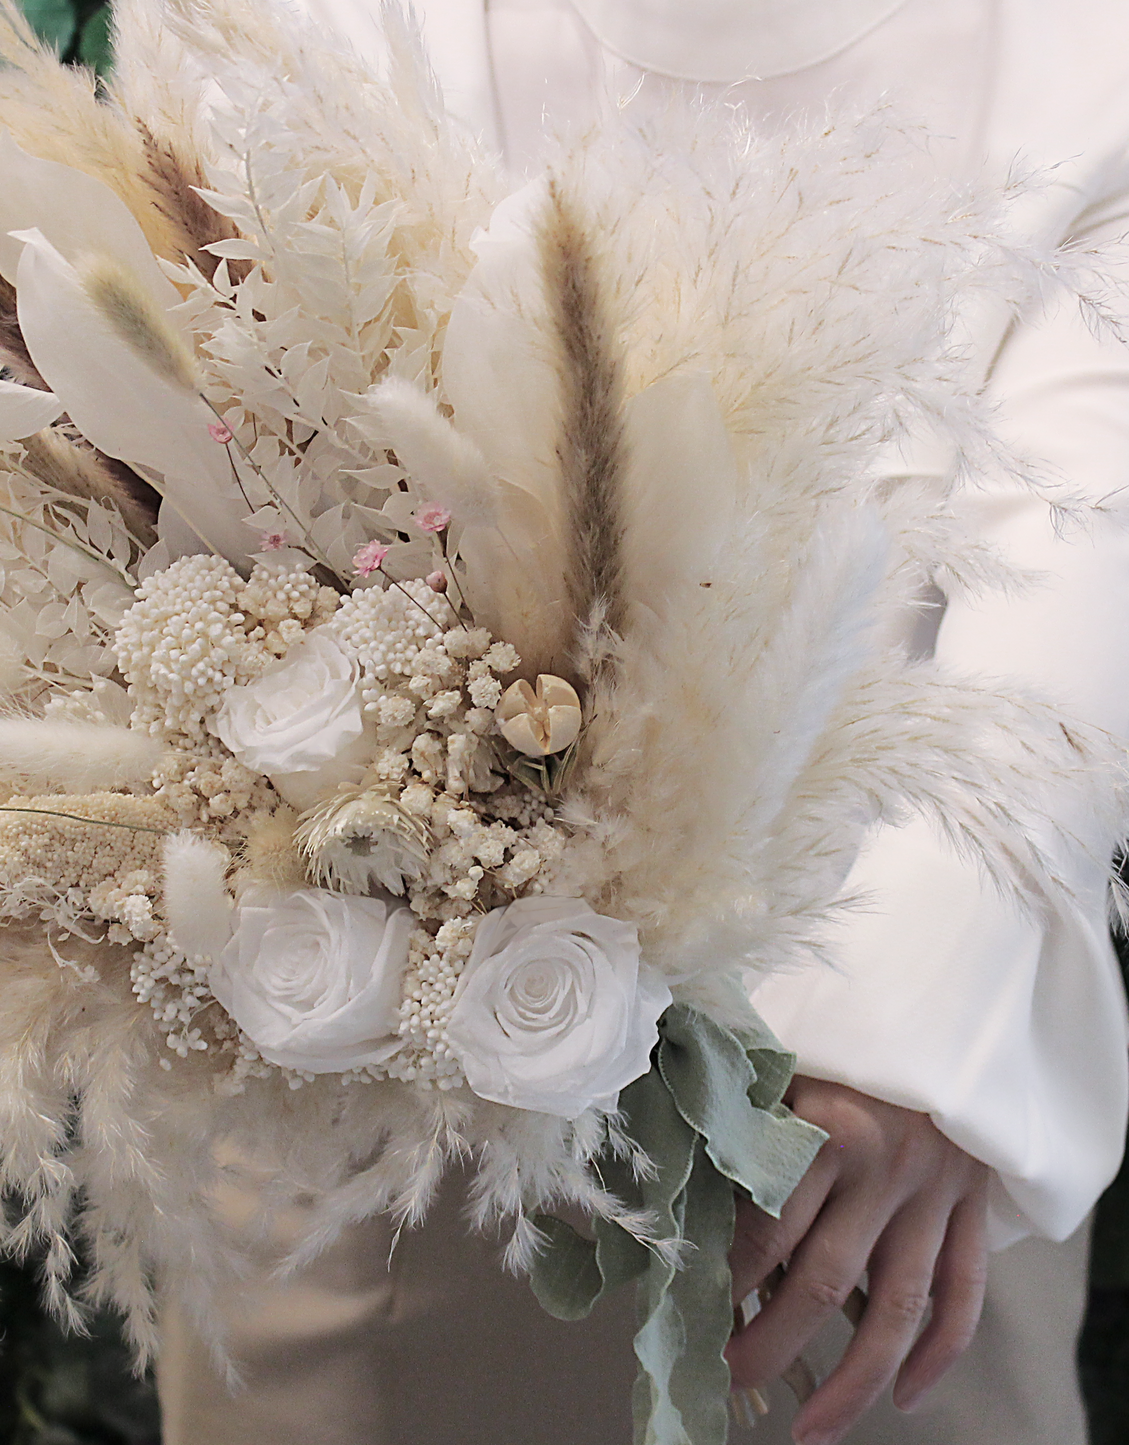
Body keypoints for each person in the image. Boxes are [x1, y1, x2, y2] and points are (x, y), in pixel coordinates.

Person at [159, 3, 1129, 1442]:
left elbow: (1081, 538)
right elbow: (214, 458)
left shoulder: (1078, 54)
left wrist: (917, 1033)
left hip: (859, 1158)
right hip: (359, 1091)